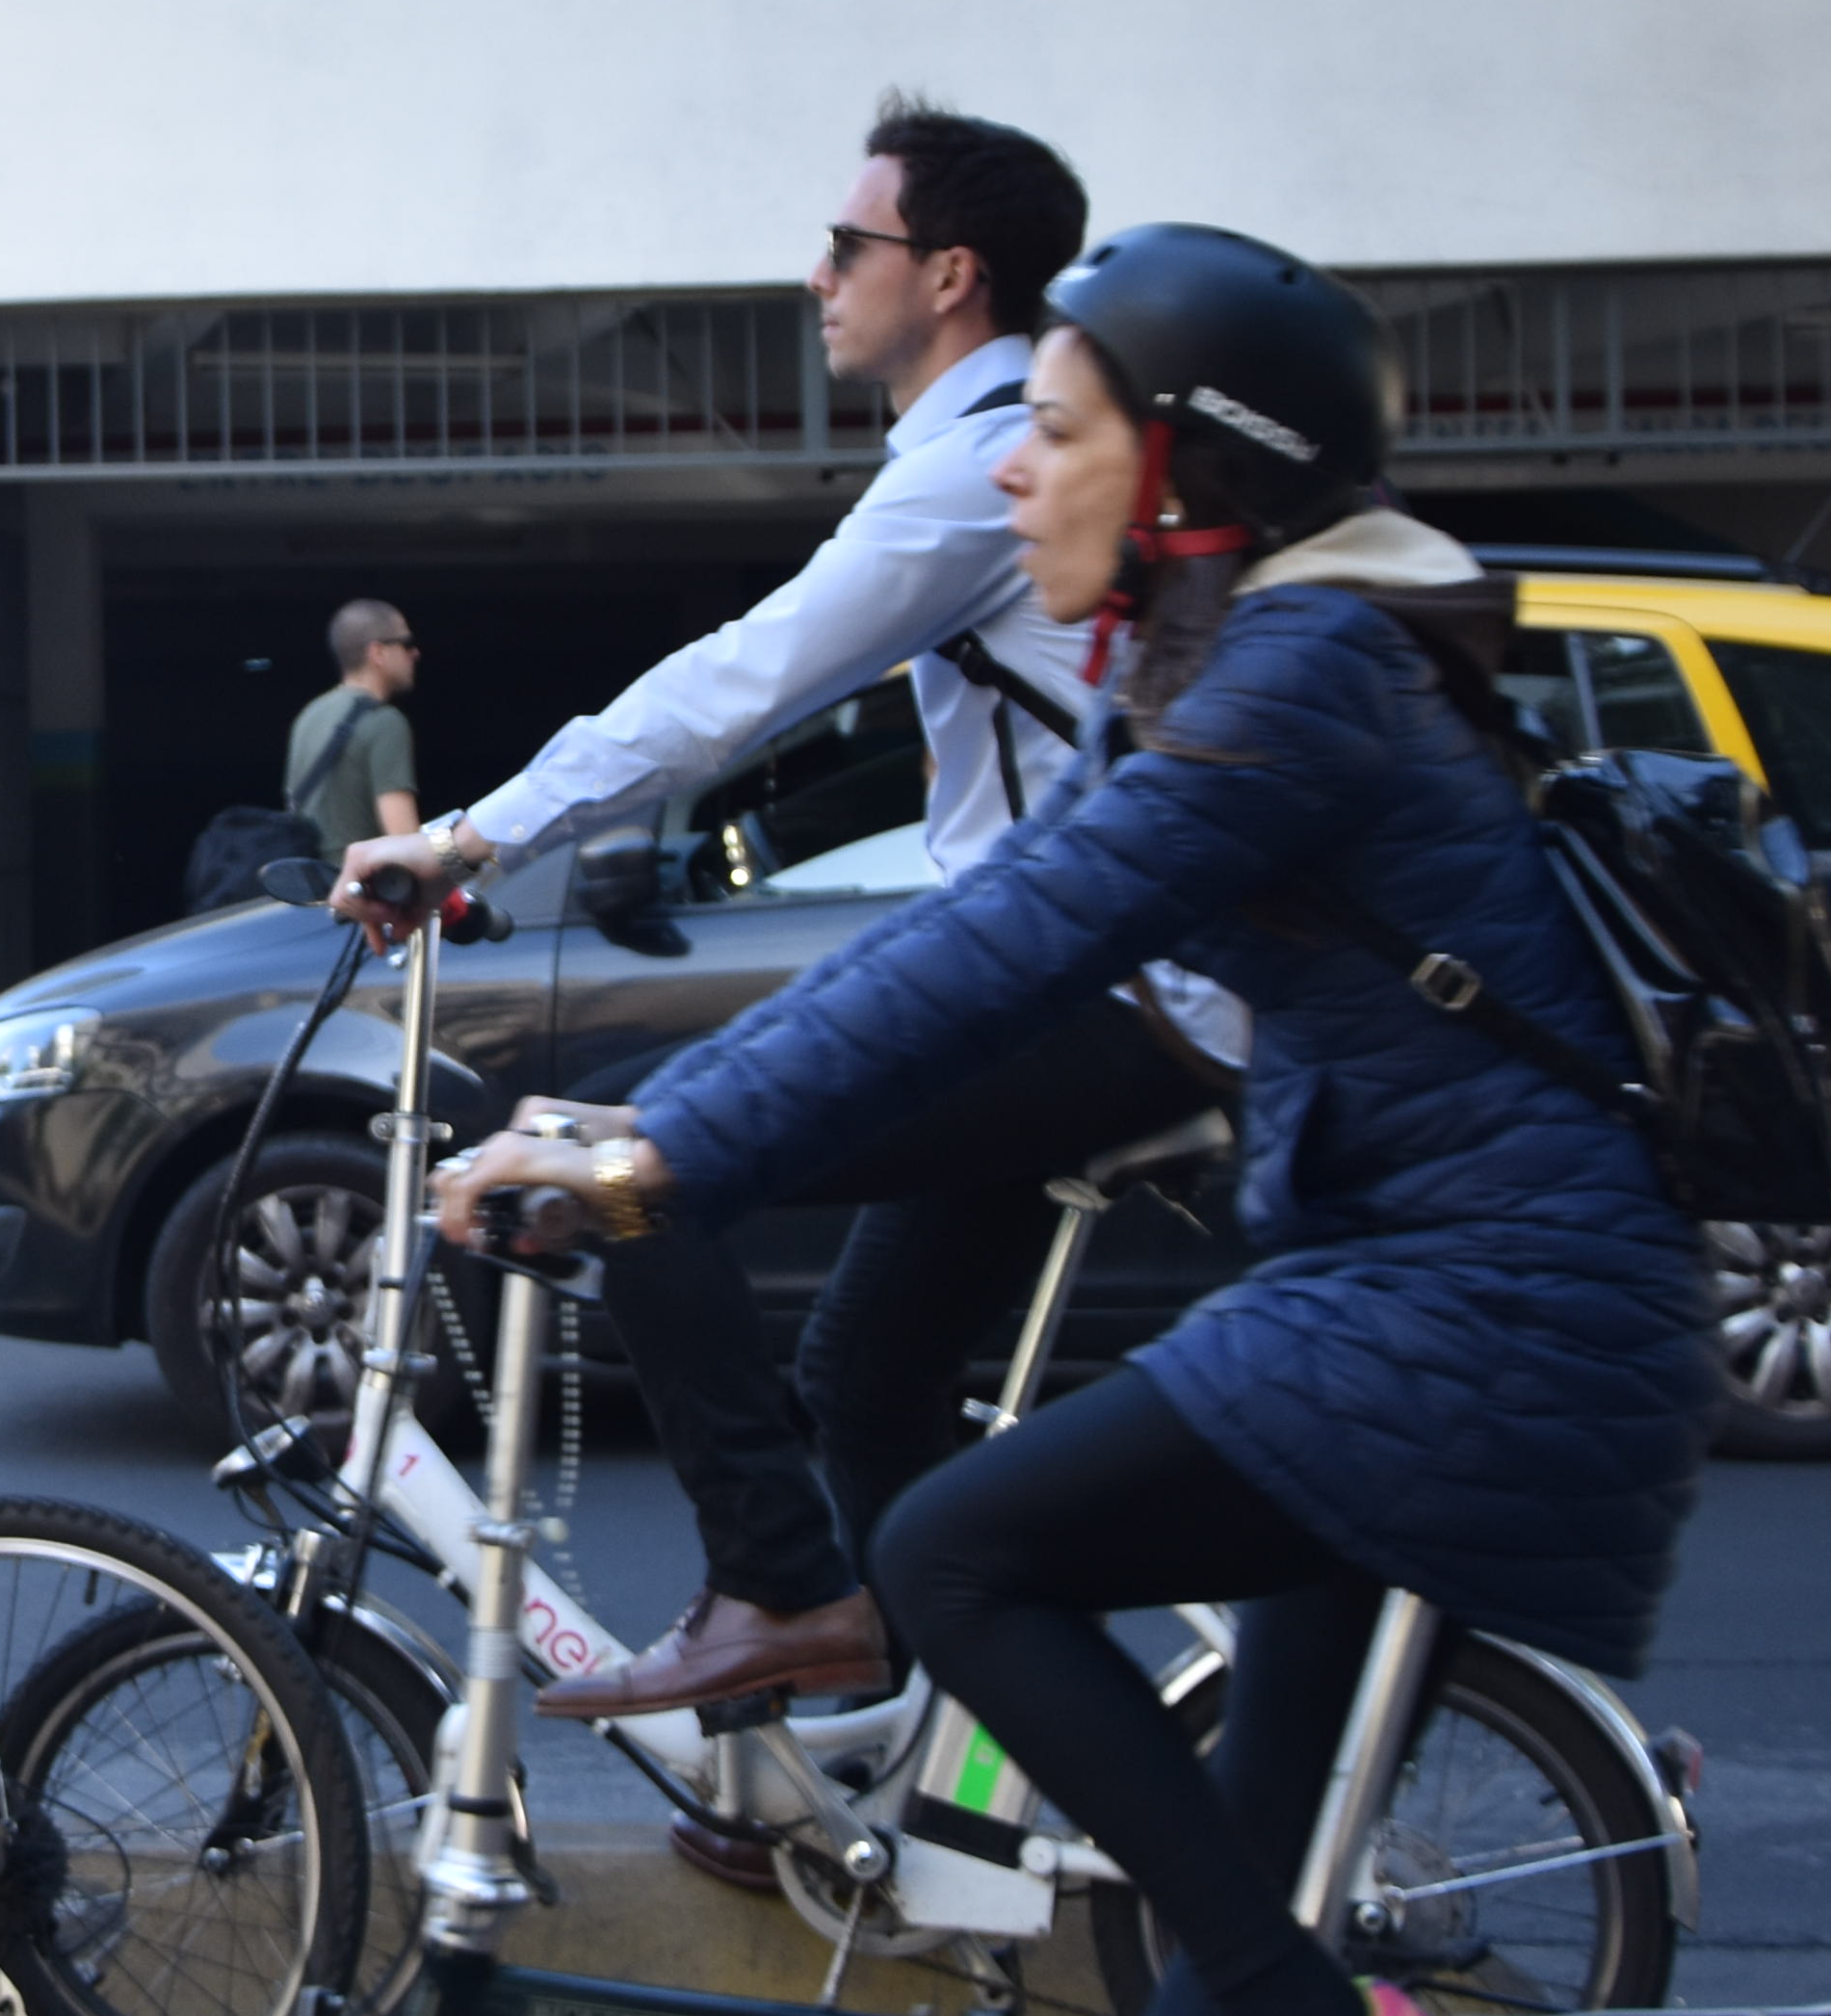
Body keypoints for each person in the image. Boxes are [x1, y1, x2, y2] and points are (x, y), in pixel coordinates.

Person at [423, 223, 1709, 2016]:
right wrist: (651, 1120)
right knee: (1251, 1834)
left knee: (950, 1549)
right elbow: (977, 940)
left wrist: (660, 1159)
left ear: (1193, 467)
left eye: (1058, 429)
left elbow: (1006, 952)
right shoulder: (1229, 660)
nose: (1012, 469)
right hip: (1445, 1291)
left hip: (1479, 1310)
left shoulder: (1301, 676)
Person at [340, 98, 1216, 1767]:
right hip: (1065, 975)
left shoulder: (977, 469)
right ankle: (906, 1775)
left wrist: (465, 835)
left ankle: (777, 1588)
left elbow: (739, 683)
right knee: (869, 1379)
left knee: (632, 1157)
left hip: (1104, 993)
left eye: (845, 245)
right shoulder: (994, 453)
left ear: (947, 274)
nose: (816, 276)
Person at [286, 602, 427, 846]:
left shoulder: (309, 715)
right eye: (406, 644)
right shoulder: (384, 722)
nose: (415, 653)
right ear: (378, 653)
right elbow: (404, 841)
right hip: (359, 870)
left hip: (309, 869)